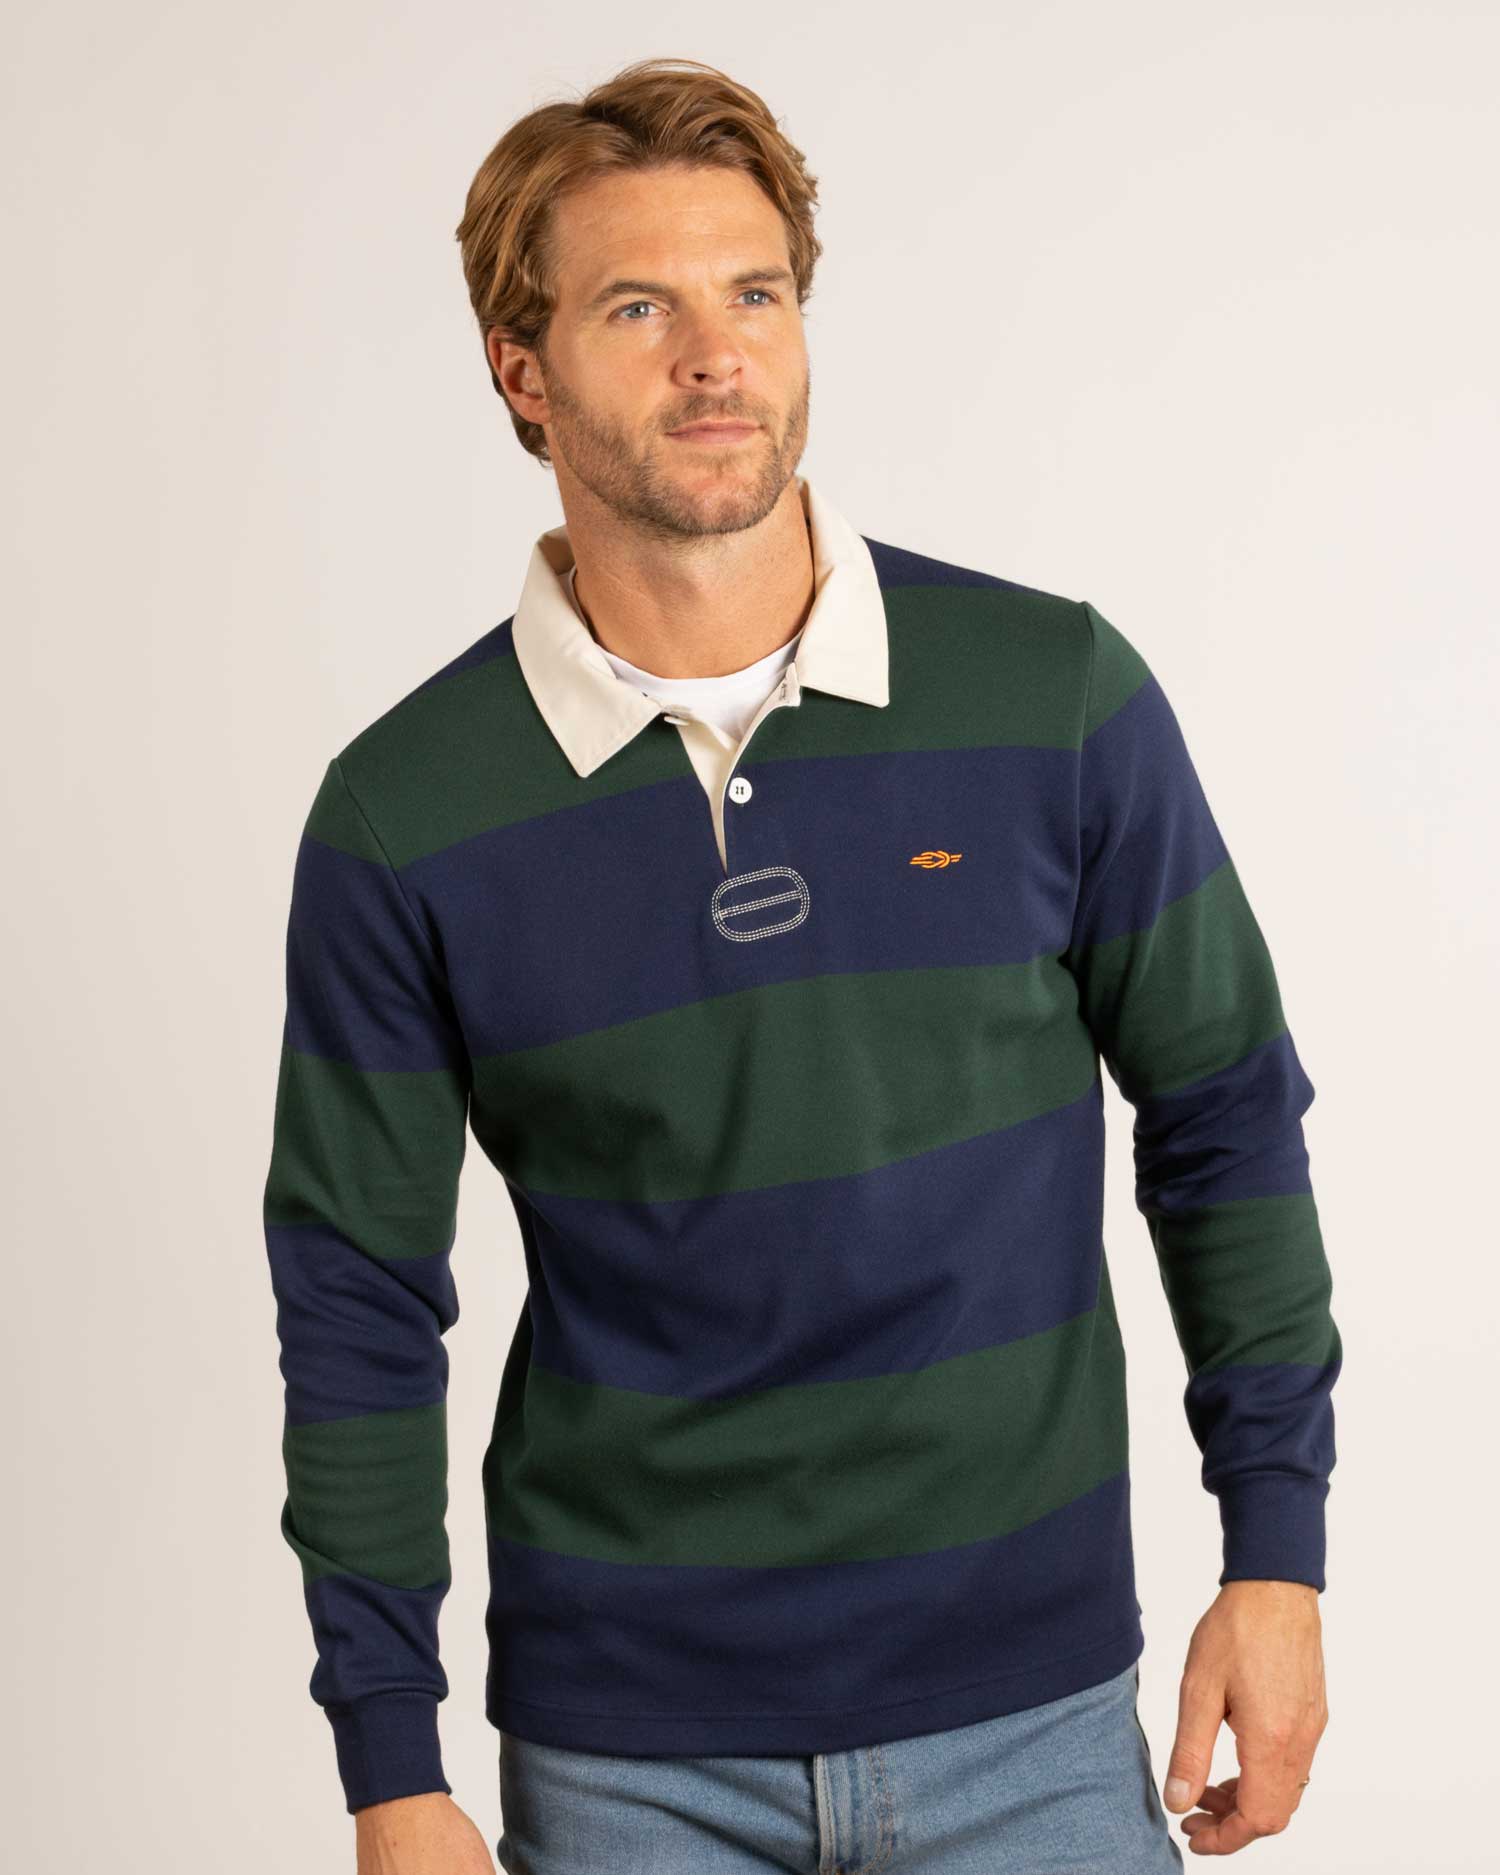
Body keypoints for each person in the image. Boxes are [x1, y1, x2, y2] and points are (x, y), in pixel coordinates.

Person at [262, 55, 1340, 1874]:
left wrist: (1278, 1553)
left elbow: (1226, 1114)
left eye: (754, 294)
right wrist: (391, 1765)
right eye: (639, 308)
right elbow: (357, 1294)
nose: (717, 356)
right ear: (522, 372)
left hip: (1039, 1729)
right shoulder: (405, 813)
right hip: (632, 1765)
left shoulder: (1051, 697)